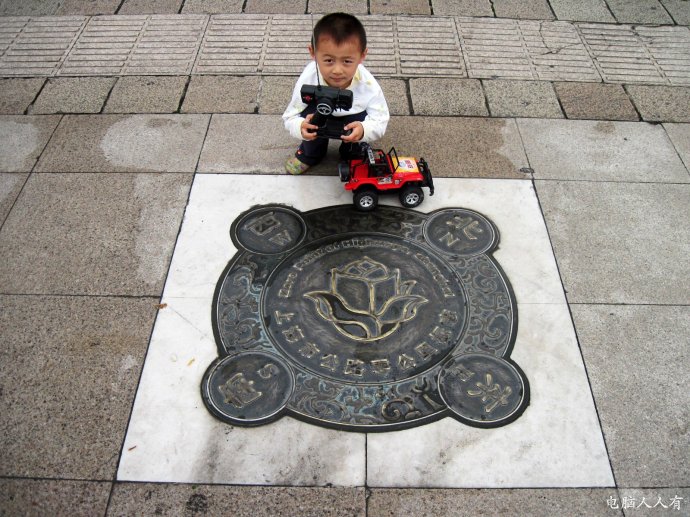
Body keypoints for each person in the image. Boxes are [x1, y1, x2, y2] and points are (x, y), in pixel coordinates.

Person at [282, 12, 390, 175]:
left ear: (362, 55)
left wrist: (364, 130)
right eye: (328, 61)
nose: (337, 70)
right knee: (309, 125)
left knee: (357, 141)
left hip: (352, 119)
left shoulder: (368, 85)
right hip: (317, 116)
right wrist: (300, 126)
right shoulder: (308, 79)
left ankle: (352, 153)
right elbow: (290, 115)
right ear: (313, 53)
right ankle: (310, 154)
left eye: (347, 61)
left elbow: (381, 120)